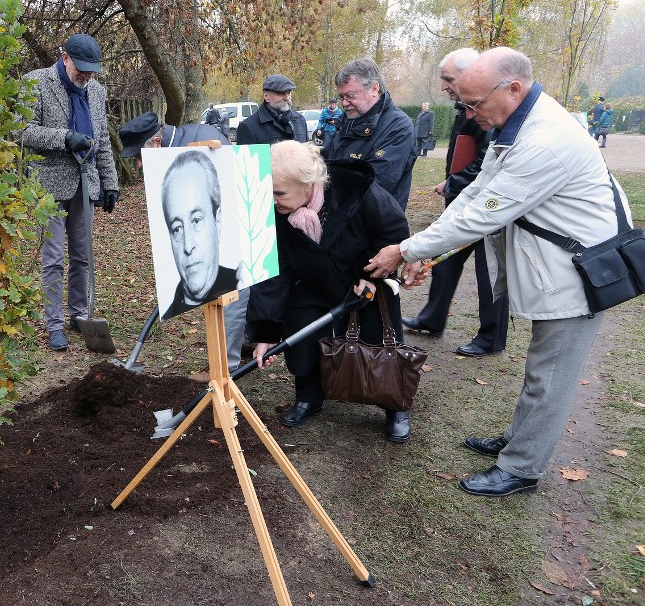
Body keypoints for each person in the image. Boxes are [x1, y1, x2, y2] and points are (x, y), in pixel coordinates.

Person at [366, 47, 632, 497]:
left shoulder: (546, 140)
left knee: (552, 374)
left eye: (475, 104)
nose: (470, 114)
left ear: (513, 88)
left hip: (580, 274)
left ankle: (522, 468)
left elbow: (482, 214)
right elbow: (475, 193)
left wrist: (405, 249)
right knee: (541, 368)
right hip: (559, 265)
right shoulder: (517, 125)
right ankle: (519, 440)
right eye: (464, 104)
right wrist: (421, 251)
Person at [248, 141, 412, 441]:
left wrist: (371, 276)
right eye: (269, 192)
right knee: (302, 334)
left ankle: (395, 405)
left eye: (279, 193)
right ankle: (309, 397)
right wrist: (265, 334)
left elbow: (394, 232)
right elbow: (274, 273)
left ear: (308, 184)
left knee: (380, 339)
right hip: (314, 280)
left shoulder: (357, 192)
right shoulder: (277, 212)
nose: (272, 201)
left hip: (364, 278)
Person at [118, 112, 247, 371]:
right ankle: (233, 351)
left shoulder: (202, 140)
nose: (138, 165)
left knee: (231, 297)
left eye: (138, 157)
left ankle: (226, 365)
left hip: (234, 239)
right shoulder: (171, 150)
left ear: (155, 143)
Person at [402, 48, 509, 358]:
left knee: (490, 271)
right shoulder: (465, 110)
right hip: (460, 202)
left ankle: (491, 337)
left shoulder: (484, 113)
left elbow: (484, 168)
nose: (443, 86)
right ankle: (432, 318)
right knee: (445, 262)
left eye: (448, 79)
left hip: (487, 207)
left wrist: (452, 183)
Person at [20, 34, 120, 351]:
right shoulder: (35, 83)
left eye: (92, 71)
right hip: (49, 185)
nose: (87, 76)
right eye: (82, 70)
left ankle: (78, 315)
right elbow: (22, 131)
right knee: (52, 259)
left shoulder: (96, 91)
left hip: (85, 183)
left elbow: (102, 141)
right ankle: (54, 325)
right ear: (65, 58)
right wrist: (64, 137)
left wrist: (110, 183)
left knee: (82, 256)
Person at [322, 57, 416, 211]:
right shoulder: (348, 119)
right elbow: (327, 157)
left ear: (374, 88)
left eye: (350, 96)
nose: (344, 103)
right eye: (341, 97)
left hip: (374, 224)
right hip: (341, 216)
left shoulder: (398, 126)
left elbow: (375, 181)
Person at [159, 150, 239, 320]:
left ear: (217, 222)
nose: (188, 246)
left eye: (196, 220)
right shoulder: (168, 319)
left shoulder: (247, 288)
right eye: (177, 228)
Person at [235, 74, 308, 145]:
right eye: (281, 93)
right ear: (266, 96)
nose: (287, 98)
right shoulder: (248, 127)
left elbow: (308, 154)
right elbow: (247, 157)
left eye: (289, 93)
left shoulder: (299, 120)